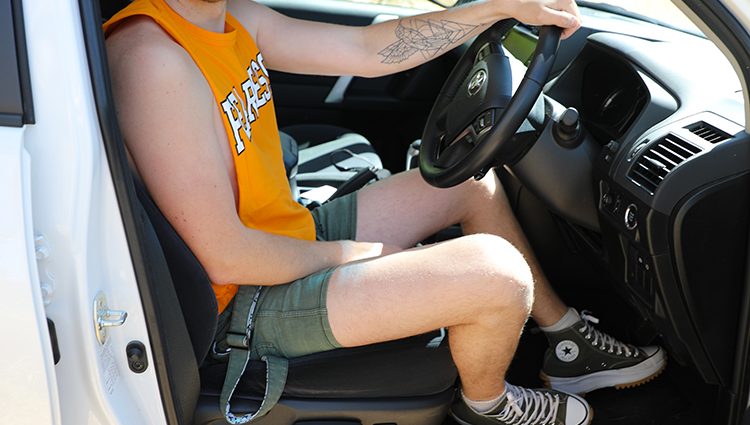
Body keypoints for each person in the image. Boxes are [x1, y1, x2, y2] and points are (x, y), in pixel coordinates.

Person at [104, 0, 666, 424]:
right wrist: (353, 256)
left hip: (280, 236)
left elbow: (366, 50)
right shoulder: (154, 58)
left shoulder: (228, 18)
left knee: (471, 185)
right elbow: (225, 257)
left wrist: (494, 8)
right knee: (498, 276)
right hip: (241, 301)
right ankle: (487, 403)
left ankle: (566, 341)